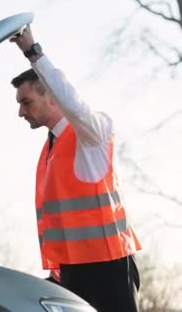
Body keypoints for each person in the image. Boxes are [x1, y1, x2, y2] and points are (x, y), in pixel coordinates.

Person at [9, 25, 142, 311]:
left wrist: (33, 53)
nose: (20, 111)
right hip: (71, 270)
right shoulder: (50, 148)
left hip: (107, 266)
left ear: (52, 97)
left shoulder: (93, 135)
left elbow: (75, 105)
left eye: (26, 102)